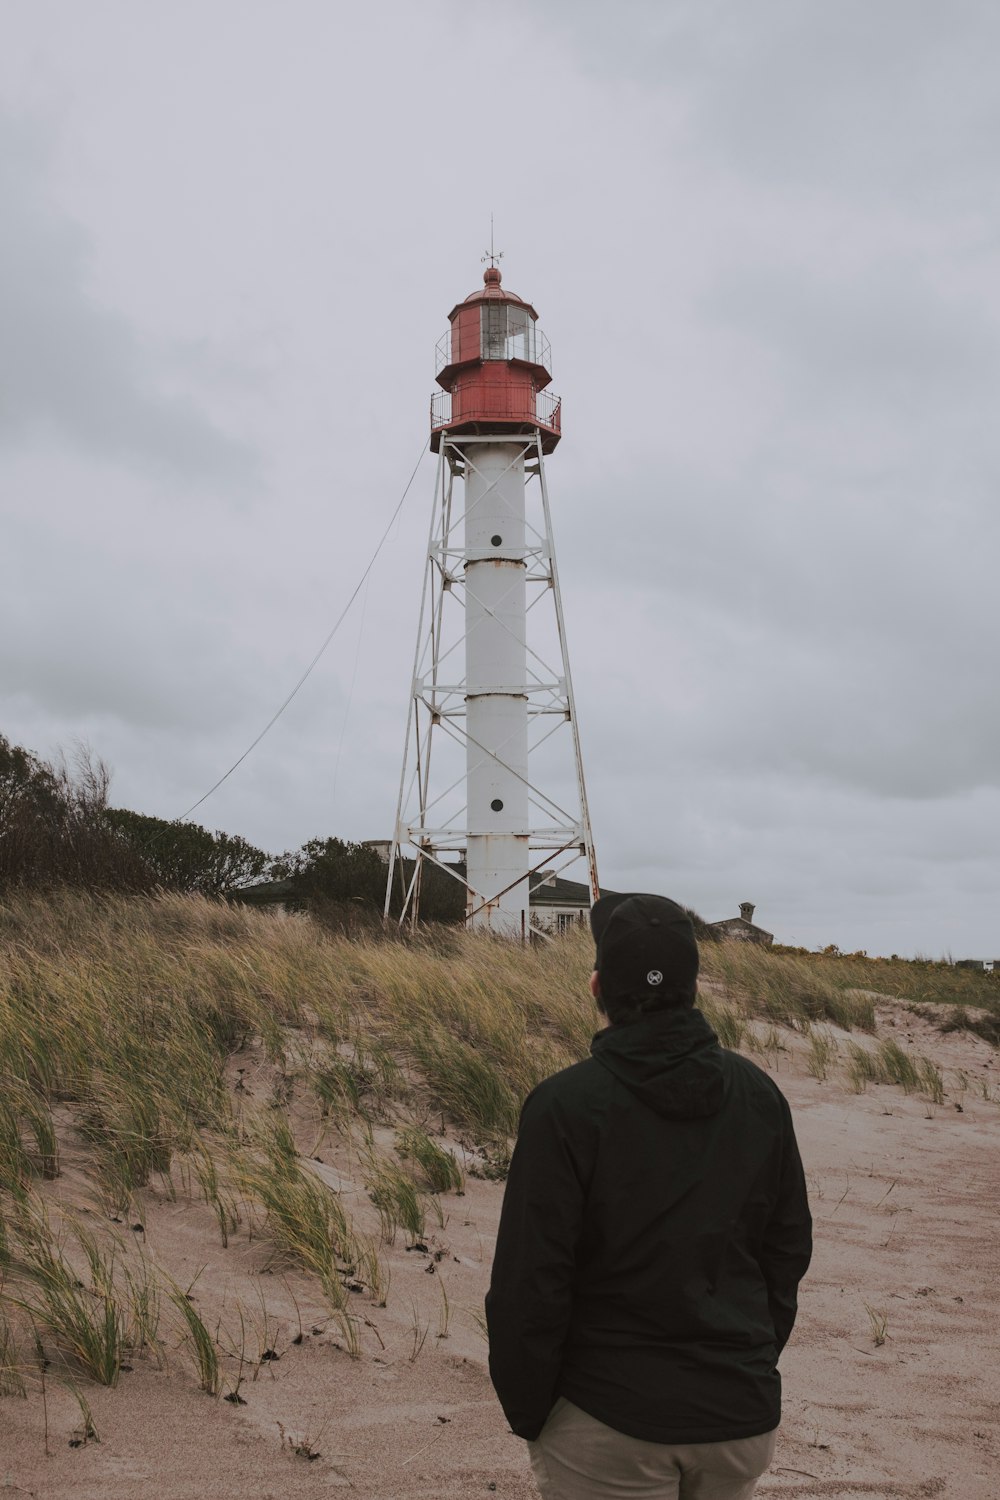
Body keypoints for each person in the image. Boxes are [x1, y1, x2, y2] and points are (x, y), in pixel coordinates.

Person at [485, 893, 812, 1500]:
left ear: (596, 987)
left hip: (608, 1418)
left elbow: (530, 1280)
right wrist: (748, 1361)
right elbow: (786, 1250)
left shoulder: (565, 1106)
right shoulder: (758, 1093)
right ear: (694, 988)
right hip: (735, 1417)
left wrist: (533, 1413)